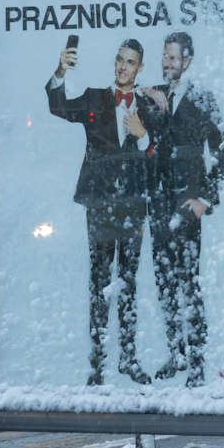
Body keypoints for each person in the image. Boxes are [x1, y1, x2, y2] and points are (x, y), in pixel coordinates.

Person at [46, 37, 165, 385]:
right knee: (99, 281)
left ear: (139, 68)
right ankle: (97, 364)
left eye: (130, 62)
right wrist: (60, 70)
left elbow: (160, 156)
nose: (122, 67)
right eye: (119, 60)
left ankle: (128, 358)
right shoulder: (95, 97)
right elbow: (58, 106)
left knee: (127, 281)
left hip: (132, 204)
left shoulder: (149, 104)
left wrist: (143, 137)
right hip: (99, 203)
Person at [149, 31, 224, 386]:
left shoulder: (201, 98)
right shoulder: (152, 96)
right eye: (164, 56)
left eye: (173, 57)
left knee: (188, 283)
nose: (167, 62)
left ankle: (196, 362)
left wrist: (206, 200)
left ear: (188, 60)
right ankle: (176, 354)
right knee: (164, 281)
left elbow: (223, 148)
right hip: (158, 202)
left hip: (187, 202)